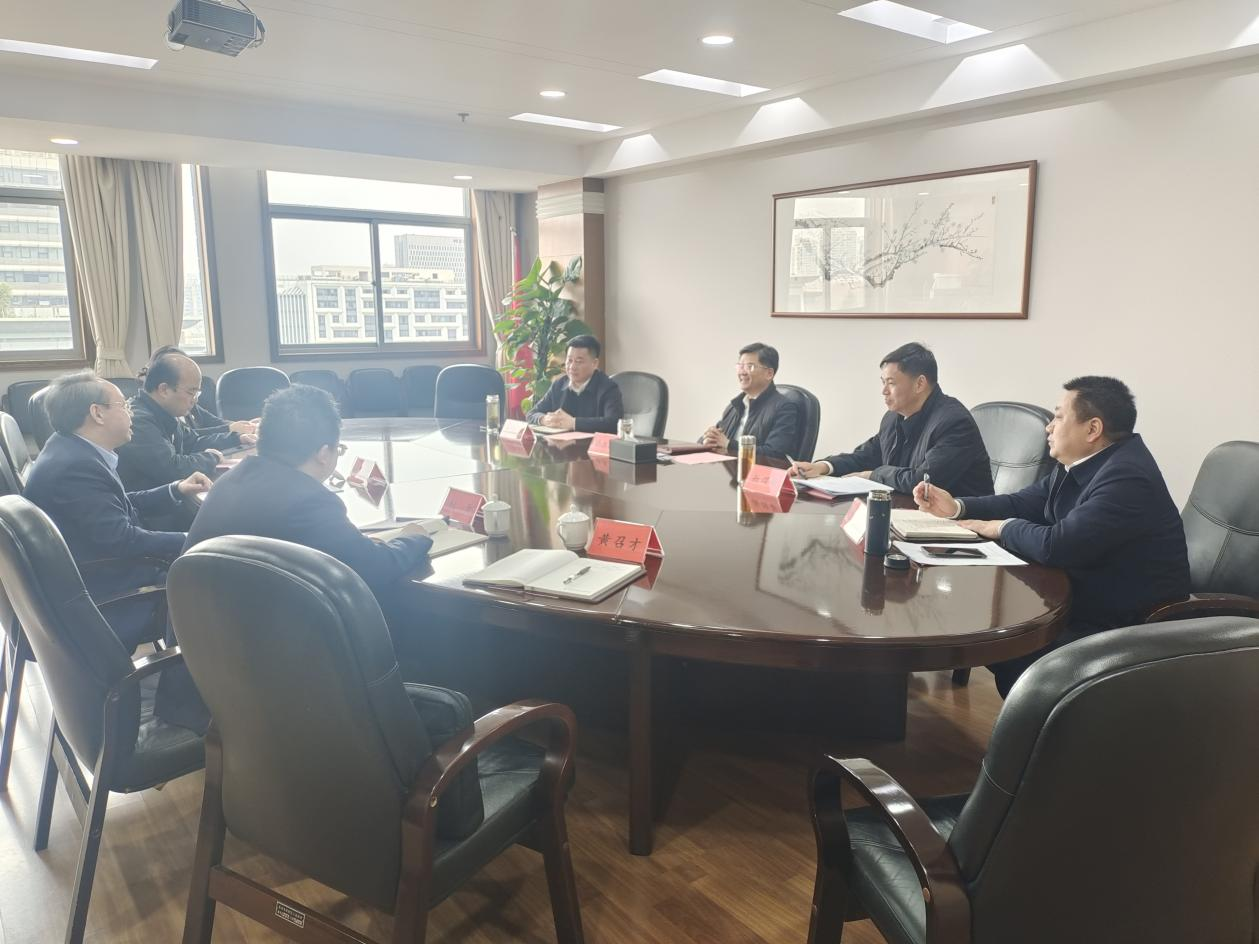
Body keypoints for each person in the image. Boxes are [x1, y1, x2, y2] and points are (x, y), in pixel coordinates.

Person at [912, 376, 1190, 696]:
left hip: (1122, 627)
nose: (1049, 427)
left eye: (1058, 417)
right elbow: (1024, 502)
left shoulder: (1126, 477)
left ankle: (1046, 727)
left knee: (1014, 650)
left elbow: (1057, 545)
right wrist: (958, 507)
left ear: (1092, 429)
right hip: (1079, 598)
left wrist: (1002, 527)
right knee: (999, 635)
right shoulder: (1082, 463)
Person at [21, 371, 211, 650]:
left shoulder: (69, 448)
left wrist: (176, 489)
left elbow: (117, 504)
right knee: (213, 580)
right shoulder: (75, 468)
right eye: (123, 405)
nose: (131, 412)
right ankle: (186, 673)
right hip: (108, 594)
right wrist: (195, 539)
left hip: (96, 574)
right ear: (97, 413)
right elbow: (123, 539)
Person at [184, 384, 433, 597]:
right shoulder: (308, 502)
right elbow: (375, 568)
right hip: (266, 636)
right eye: (338, 449)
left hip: (199, 632)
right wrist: (413, 538)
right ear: (323, 453)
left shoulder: (229, 481)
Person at [791, 342, 993, 495]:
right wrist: (822, 467)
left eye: (891, 383)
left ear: (920, 384)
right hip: (909, 515)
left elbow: (923, 482)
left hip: (961, 526)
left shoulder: (954, 422)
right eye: (883, 382)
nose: (884, 391)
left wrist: (873, 475)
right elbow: (866, 456)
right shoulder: (893, 417)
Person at [117, 349, 256, 498]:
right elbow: (172, 469)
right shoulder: (138, 420)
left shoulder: (164, 412)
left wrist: (235, 438)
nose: (195, 400)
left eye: (197, 393)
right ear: (164, 390)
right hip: (148, 507)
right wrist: (212, 457)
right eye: (191, 392)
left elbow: (193, 441)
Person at [702, 342, 800, 460]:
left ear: (769, 373)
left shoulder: (784, 408)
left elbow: (774, 453)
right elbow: (718, 438)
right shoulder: (735, 405)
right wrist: (708, 439)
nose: (742, 372)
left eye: (749, 367)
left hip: (758, 470)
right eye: (740, 366)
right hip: (728, 468)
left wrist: (728, 444)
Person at [526, 334, 624, 433]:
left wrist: (574, 423)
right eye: (569, 360)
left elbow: (614, 423)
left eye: (579, 361)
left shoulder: (608, 388)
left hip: (592, 442)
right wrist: (544, 419)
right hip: (560, 441)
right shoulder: (559, 385)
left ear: (594, 363)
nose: (572, 366)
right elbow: (532, 414)